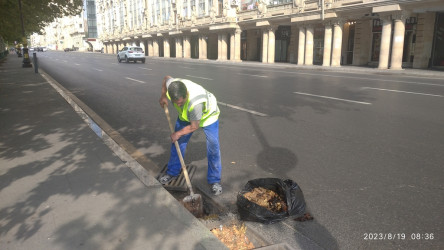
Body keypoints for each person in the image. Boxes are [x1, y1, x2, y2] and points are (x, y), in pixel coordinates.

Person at [158, 76, 223, 195]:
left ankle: (215, 181)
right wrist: (163, 96)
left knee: (213, 147)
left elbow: (194, 126)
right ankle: (172, 172)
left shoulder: (195, 103)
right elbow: (166, 78)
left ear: (186, 94)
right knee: (177, 143)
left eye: (181, 102)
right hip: (186, 117)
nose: (179, 105)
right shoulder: (172, 87)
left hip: (209, 117)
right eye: (176, 103)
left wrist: (178, 133)